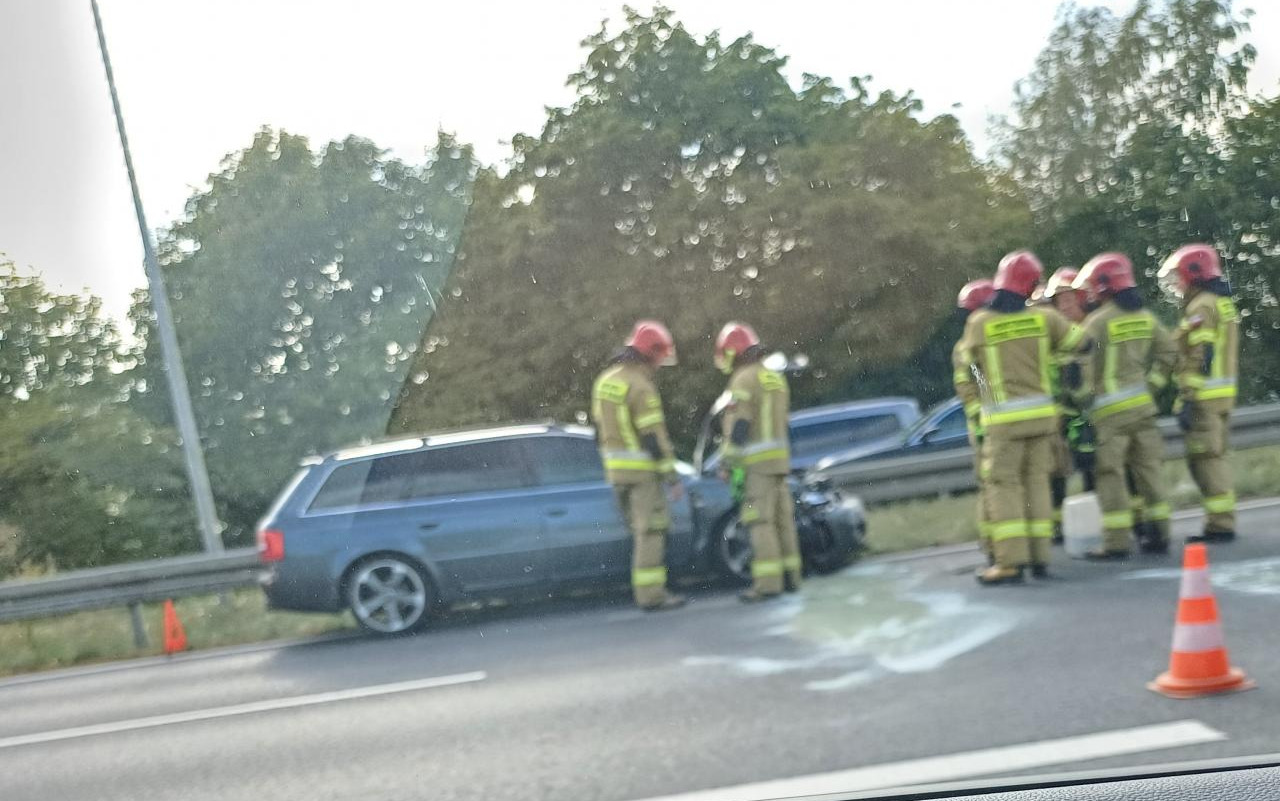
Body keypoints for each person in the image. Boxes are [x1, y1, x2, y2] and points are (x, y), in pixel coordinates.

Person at [958, 251, 1085, 584]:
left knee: (1004, 486)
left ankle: (1010, 564)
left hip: (1003, 424)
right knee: (1037, 483)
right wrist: (1058, 357)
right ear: (1030, 285)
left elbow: (968, 369)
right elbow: (1083, 343)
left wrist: (982, 397)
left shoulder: (980, 323)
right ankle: (1040, 559)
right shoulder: (1045, 318)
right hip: (1043, 420)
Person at [1072, 253, 1177, 557]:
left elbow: (1080, 368)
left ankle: (1116, 543)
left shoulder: (1095, 323)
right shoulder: (1145, 317)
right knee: (1150, 472)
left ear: (1103, 286)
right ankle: (1160, 535)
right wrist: (1153, 386)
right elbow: (1169, 352)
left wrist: (1083, 401)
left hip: (1109, 416)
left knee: (1111, 476)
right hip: (1143, 409)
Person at [591, 320, 687, 611]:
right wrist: (672, 477)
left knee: (639, 533)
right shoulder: (641, 387)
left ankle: (646, 592)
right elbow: (652, 437)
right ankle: (652, 596)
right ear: (651, 353)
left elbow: (599, 428)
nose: (660, 364)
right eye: (659, 357)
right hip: (643, 473)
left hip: (616, 472)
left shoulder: (605, 380)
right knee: (651, 533)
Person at [1158, 244, 1241, 543]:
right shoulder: (1221, 303)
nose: (1176, 285)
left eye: (1178, 277)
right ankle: (1221, 520)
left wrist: (1188, 397)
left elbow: (1199, 354)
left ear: (1194, 274)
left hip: (1204, 399)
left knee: (1205, 460)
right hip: (1221, 396)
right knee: (1213, 457)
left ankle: (1220, 524)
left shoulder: (1201, 306)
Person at [715, 322, 801, 602]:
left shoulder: (743, 379)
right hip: (779, 464)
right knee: (783, 522)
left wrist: (727, 463)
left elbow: (740, 424)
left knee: (760, 523)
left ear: (733, 353)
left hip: (757, 467)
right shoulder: (774, 378)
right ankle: (791, 579)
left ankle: (767, 585)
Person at [1039, 267, 1094, 542]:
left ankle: (1095, 521)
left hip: (1090, 414)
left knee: (1094, 468)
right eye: (1058, 302)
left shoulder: (1094, 328)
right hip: (1060, 417)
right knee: (1056, 472)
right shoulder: (1050, 335)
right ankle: (1058, 525)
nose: (1063, 307)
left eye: (1068, 300)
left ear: (1082, 299)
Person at [953, 278, 996, 564]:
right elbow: (972, 387)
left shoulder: (979, 340)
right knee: (991, 487)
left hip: (994, 424)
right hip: (986, 427)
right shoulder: (967, 347)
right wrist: (981, 423)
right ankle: (991, 545)